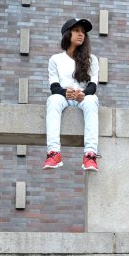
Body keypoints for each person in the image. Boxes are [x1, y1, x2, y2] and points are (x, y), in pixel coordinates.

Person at [42, 17, 101, 172]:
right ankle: (53, 153)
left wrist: (83, 94)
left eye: (83, 32)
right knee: (53, 100)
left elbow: (93, 86)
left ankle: (90, 155)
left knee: (92, 100)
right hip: (63, 97)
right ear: (67, 34)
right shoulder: (55, 59)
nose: (81, 34)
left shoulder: (92, 59)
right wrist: (65, 93)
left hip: (83, 97)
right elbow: (54, 86)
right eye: (76, 31)